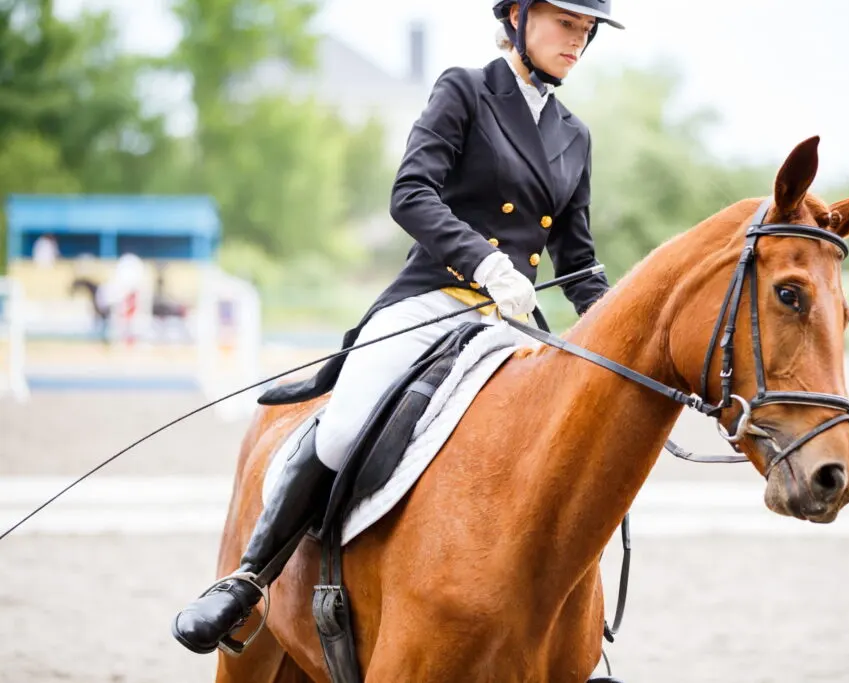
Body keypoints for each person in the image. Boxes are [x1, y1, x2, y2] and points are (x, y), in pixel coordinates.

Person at [172, 0, 623, 657]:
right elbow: (411, 193)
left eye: (586, 32)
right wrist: (485, 261)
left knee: (558, 457)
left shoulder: (574, 135)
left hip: (512, 321)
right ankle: (248, 577)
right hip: (435, 297)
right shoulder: (465, 90)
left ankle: (575, 641)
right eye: (566, 25)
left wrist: (611, 336)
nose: (577, 42)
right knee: (348, 419)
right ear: (519, 17)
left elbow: (578, 261)